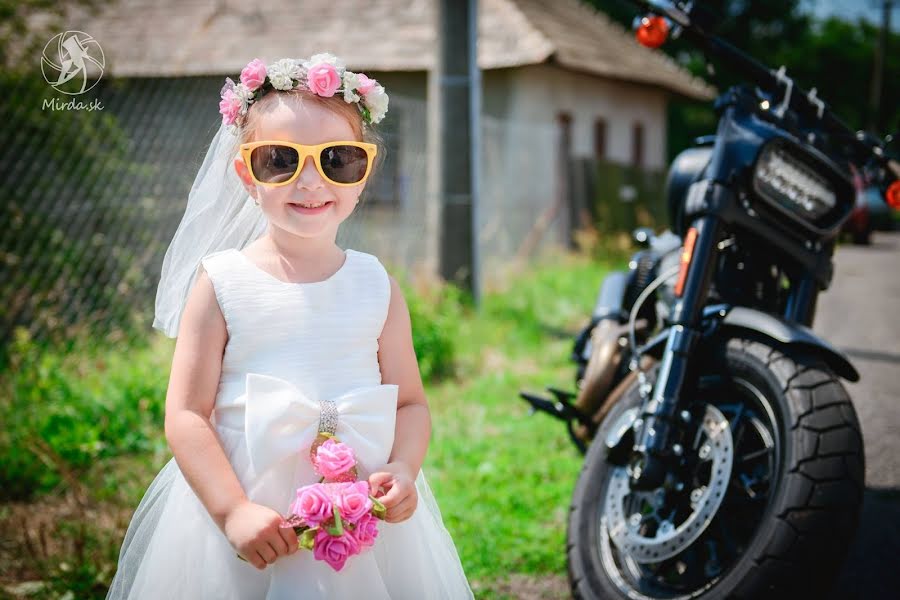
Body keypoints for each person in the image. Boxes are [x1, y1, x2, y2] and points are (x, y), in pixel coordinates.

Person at [106, 53, 474, 599]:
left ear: (364, 172)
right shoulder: (222, 284)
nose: (310, 181)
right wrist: (231, 511)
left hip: (358, 511)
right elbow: (186, 414)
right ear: (246, 175)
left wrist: (402, 466)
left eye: (338, 160)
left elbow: (410, 404)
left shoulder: (377, 286)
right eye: (279, 159)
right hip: (252, 504)